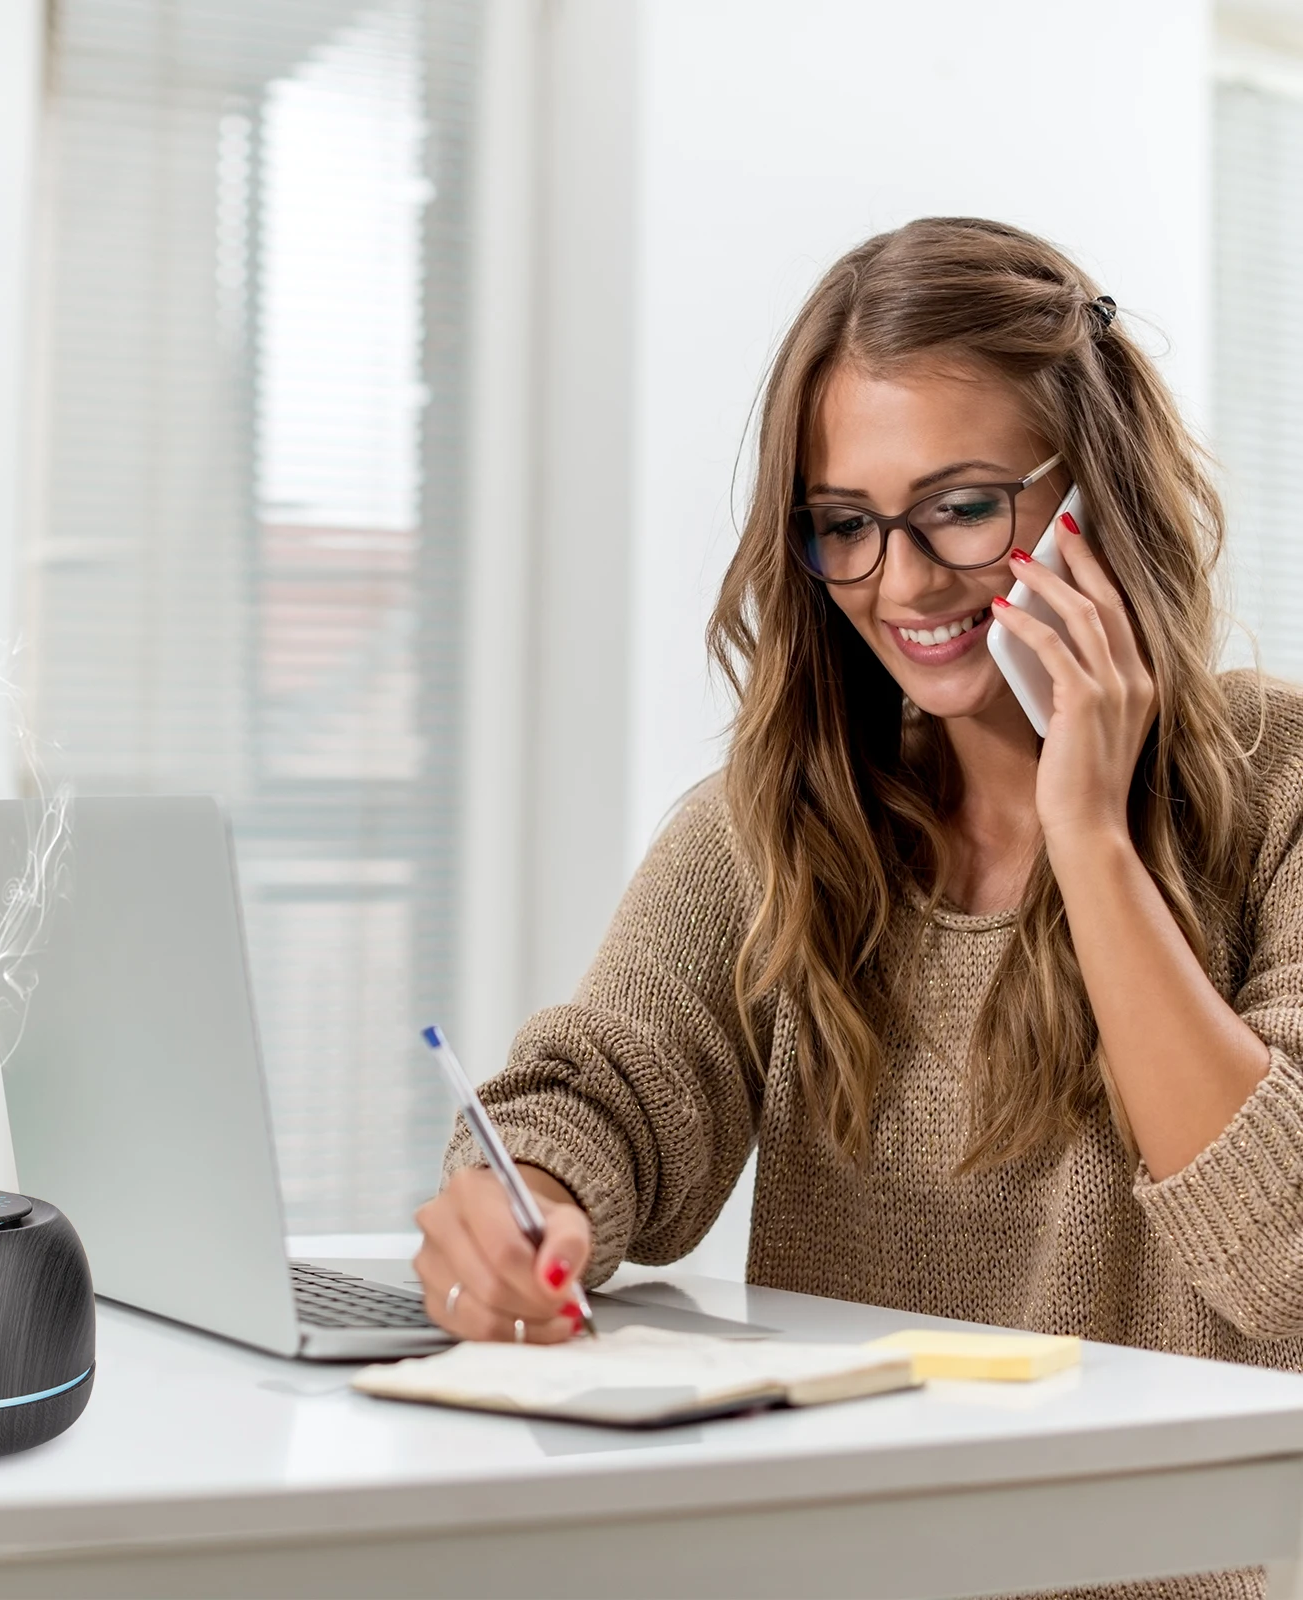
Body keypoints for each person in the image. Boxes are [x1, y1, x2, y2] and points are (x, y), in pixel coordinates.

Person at [413, 216, 1303, 1435]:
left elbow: (1283, 1262)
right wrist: (530, 1199)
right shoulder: (785, 814)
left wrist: (1089, 835)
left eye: (962, 507)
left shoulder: (1281, 787)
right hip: (844, 1536)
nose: (901, 582)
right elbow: (611, 1084)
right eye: (845, 522)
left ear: (1098, 492)